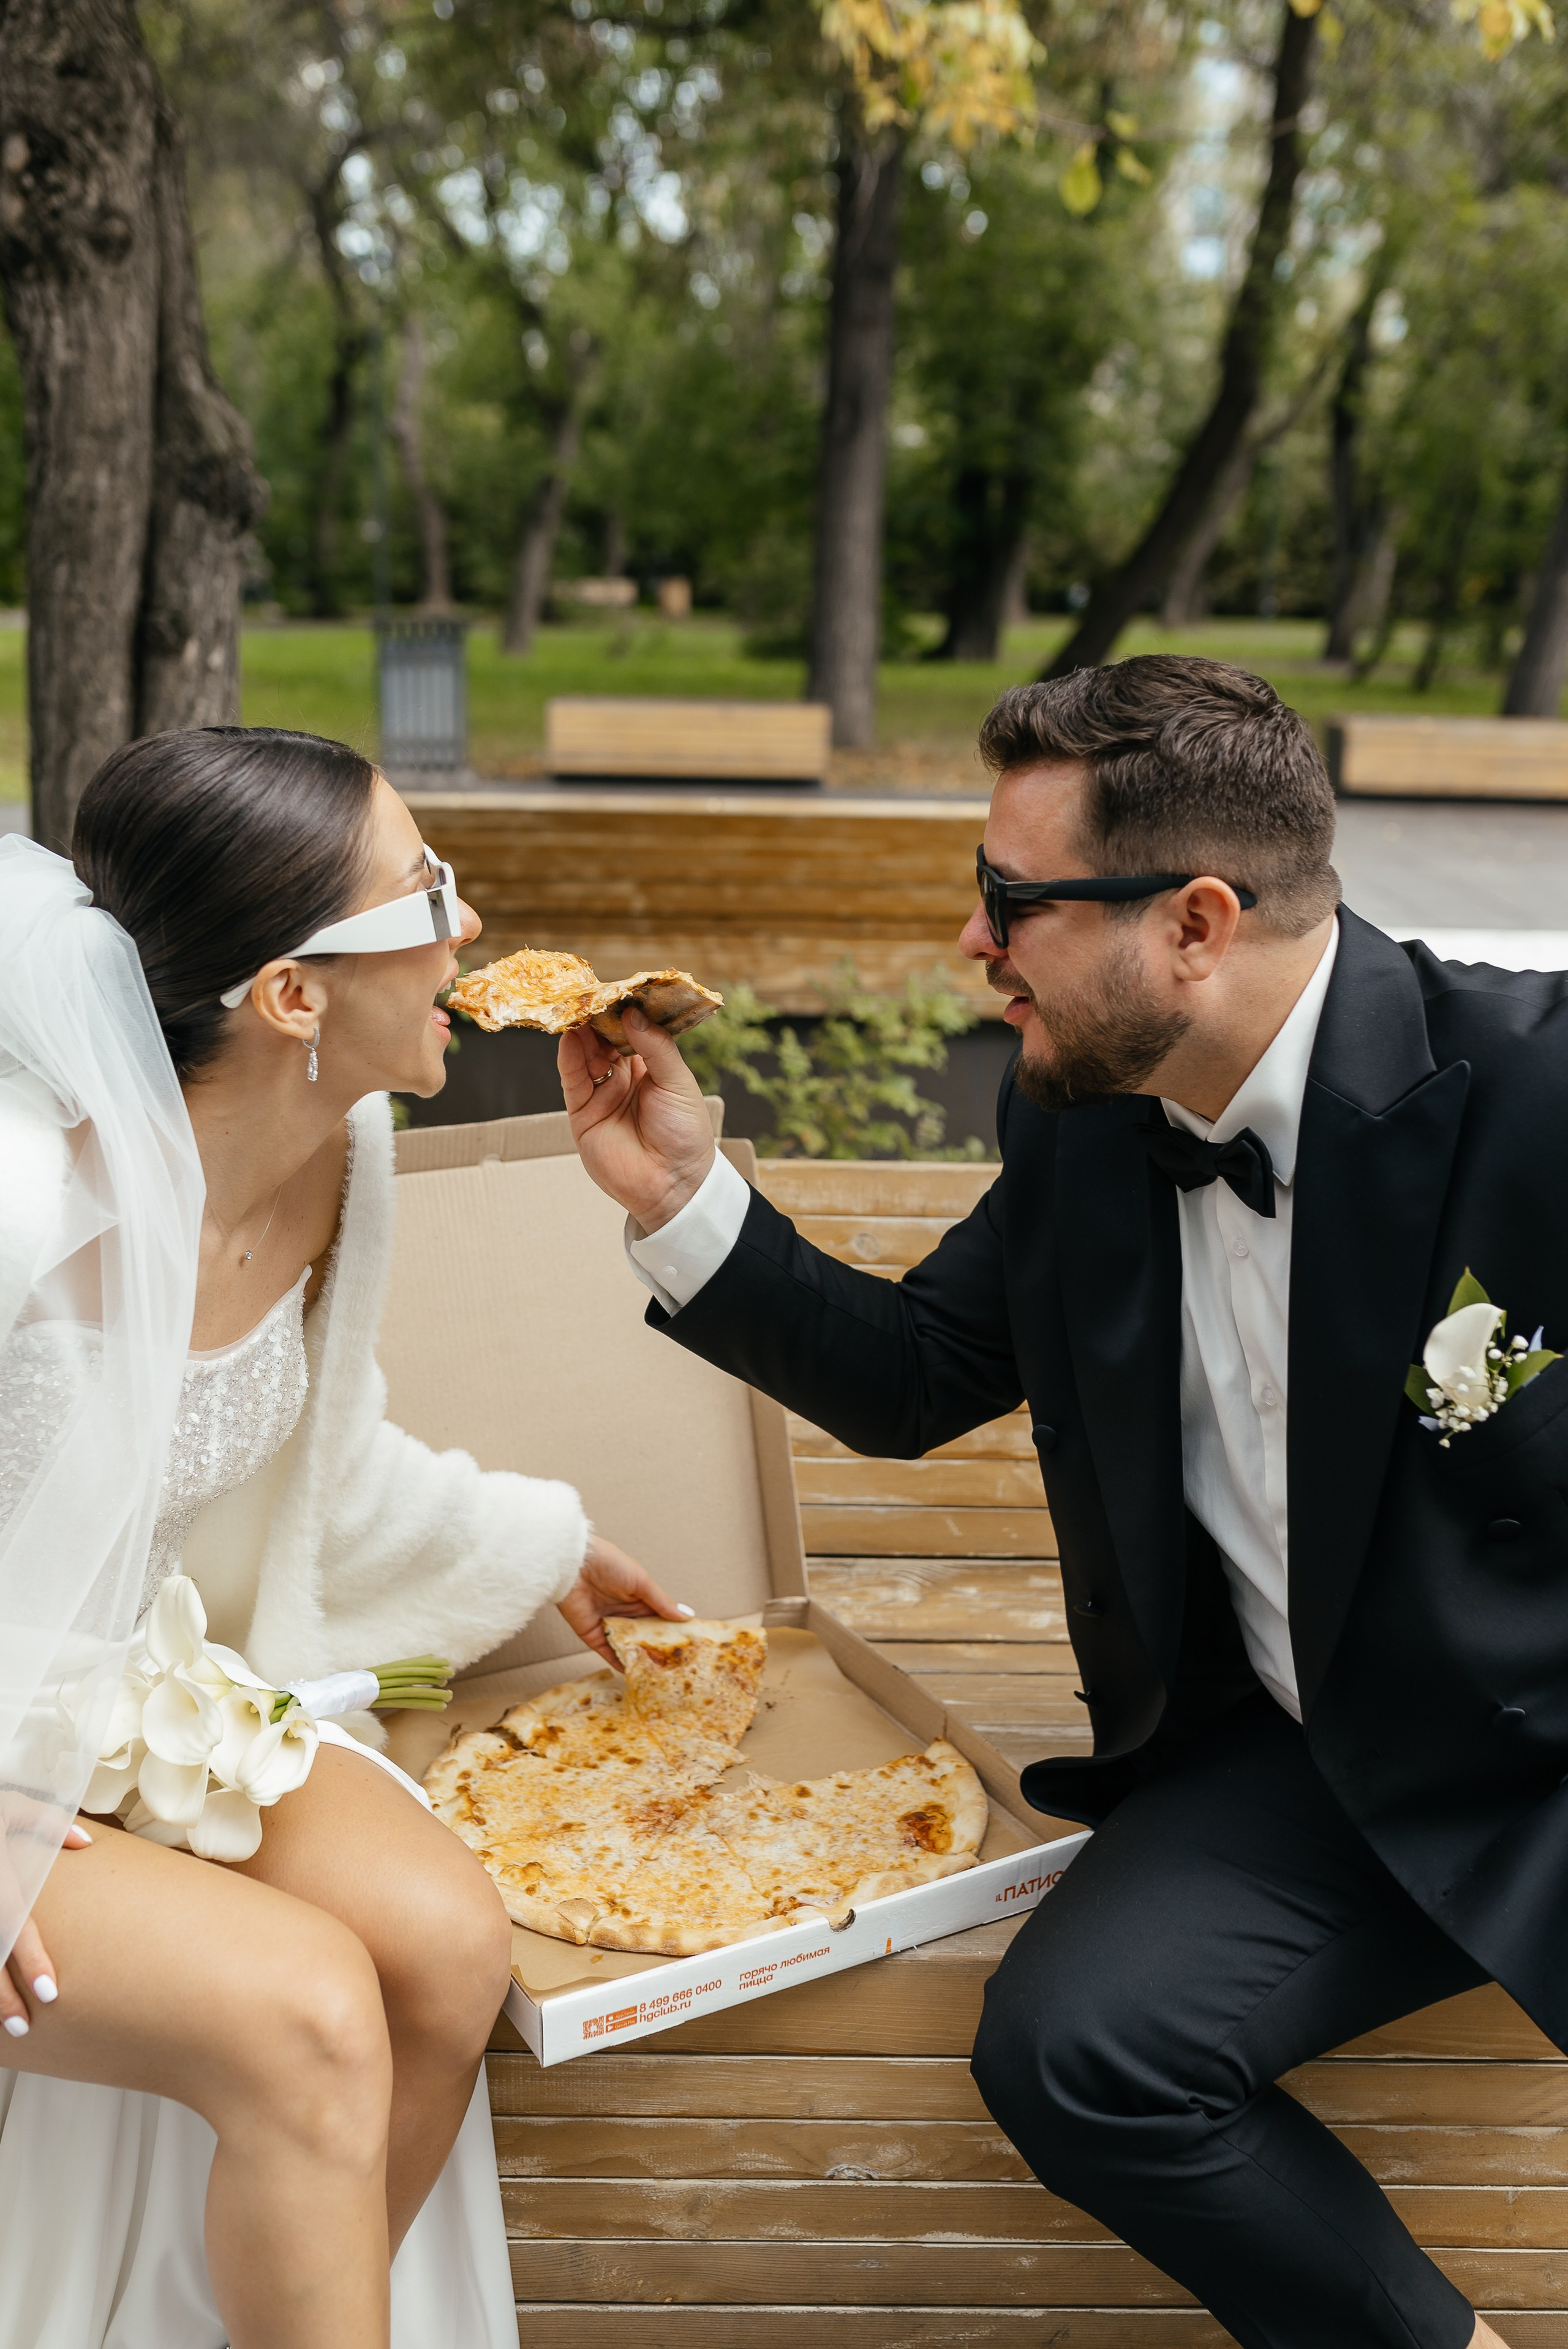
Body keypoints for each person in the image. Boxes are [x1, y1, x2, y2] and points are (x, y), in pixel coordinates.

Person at [559, 654, 1567, 2349]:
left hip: (1543, 1761)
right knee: (1072, 2050)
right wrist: (681, 1193)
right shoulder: (1090, 1124)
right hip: (1301, 1762)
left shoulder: (1540, 1093)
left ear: (1195, 923)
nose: (976, 940)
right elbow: (912, 1375)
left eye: (1012, 898)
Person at [0, 726, 687, 2349]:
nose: (469, 924)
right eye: (424, 888)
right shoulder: (25, 1192)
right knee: (307, 2014)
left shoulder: (341, 1155)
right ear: (293, 995)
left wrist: (539, 1548)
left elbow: (314, 1458)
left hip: (118, 1688)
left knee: (448, 1945)